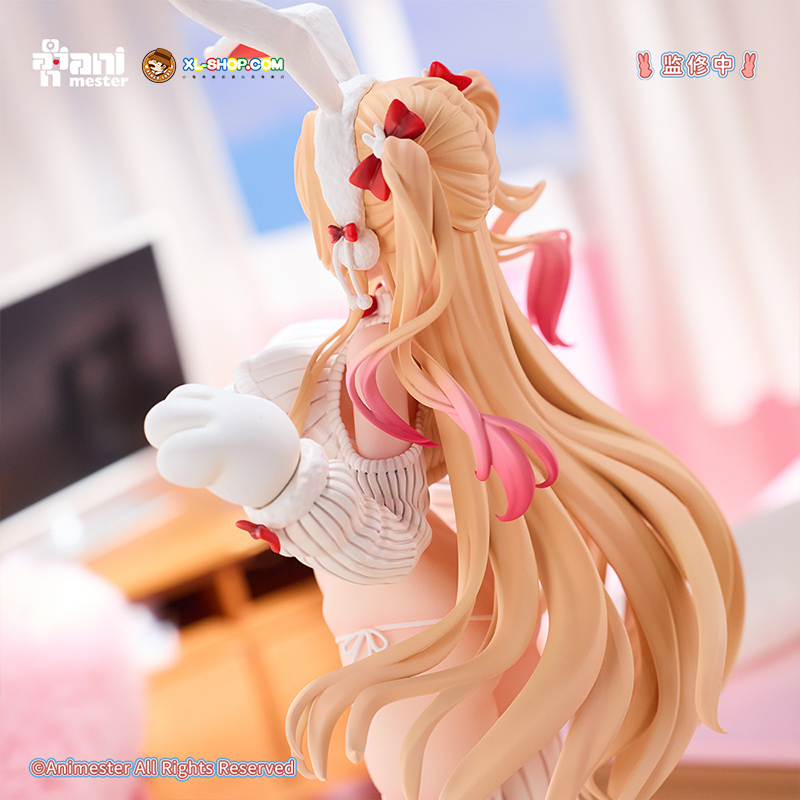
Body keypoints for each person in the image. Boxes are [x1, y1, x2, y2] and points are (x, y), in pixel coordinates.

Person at [145, 4, 744, 798]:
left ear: (350, 229)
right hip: (444, 609)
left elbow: (385, 534)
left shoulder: (381, 353)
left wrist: (282, 477)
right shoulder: (407, 336)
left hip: (410, 626)